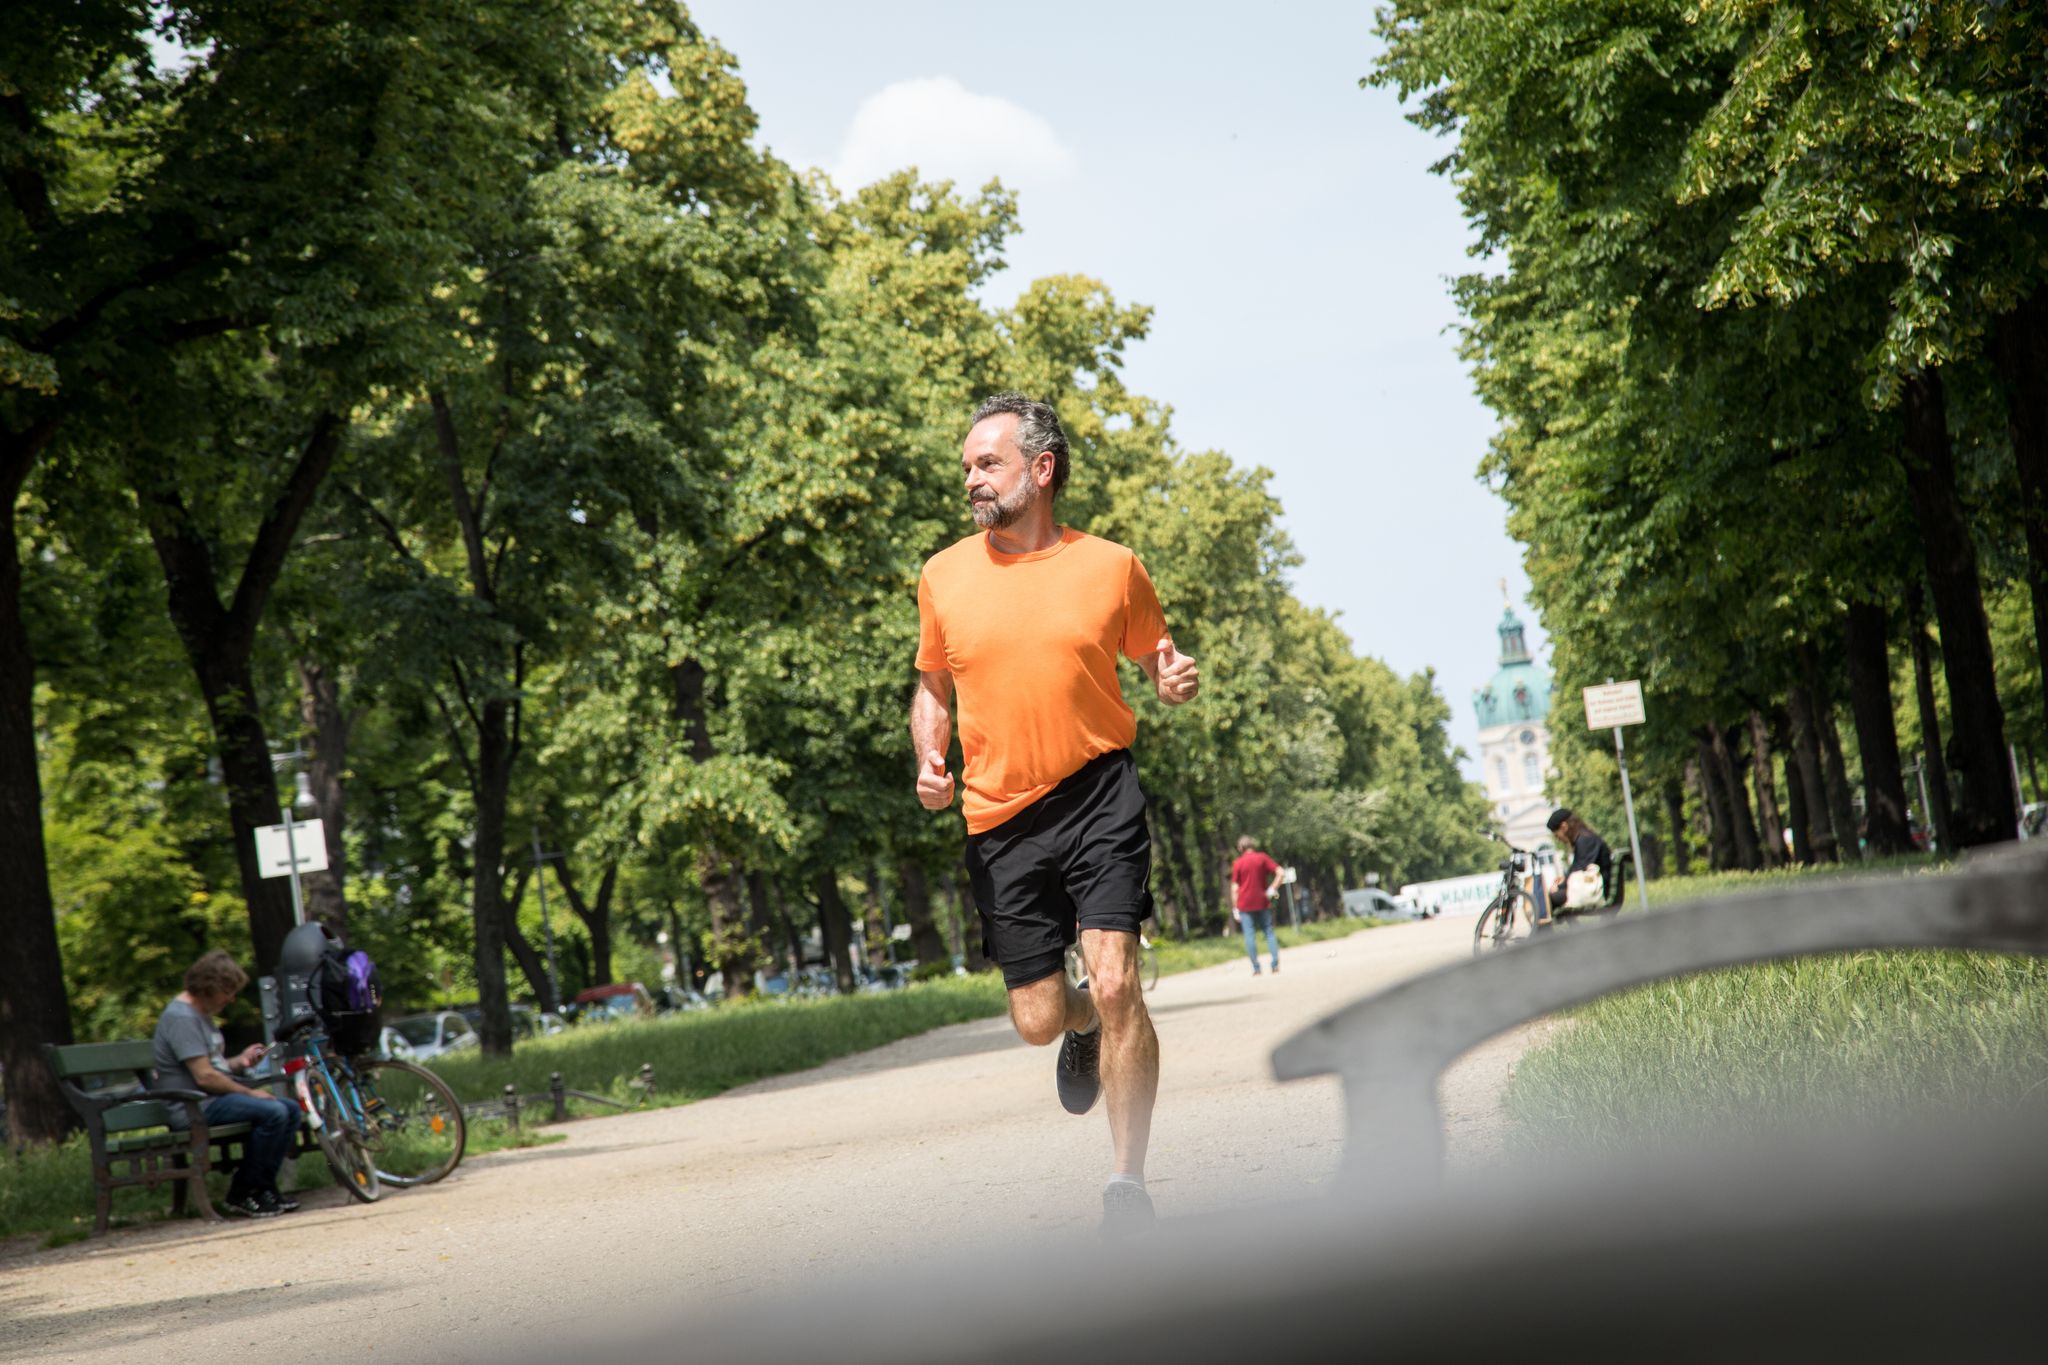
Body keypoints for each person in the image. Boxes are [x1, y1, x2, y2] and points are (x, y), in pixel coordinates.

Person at [912, 392, 1200, 1237]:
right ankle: (1079, 1022)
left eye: (987, 463)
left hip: (1099, 791)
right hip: (999, 815)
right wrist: (929, 757)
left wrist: (1172, 680)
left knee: (1118, 982)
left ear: (1040, 469)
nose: (971, 479)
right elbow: (932, 689)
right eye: (967, 466)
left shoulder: (1112, 566)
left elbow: (1158, 660)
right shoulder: (943, 576)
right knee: (1040, 1018)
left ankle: (1127, 1185)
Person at [152, 950, 302, 1218]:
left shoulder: (200, 1014)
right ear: (208, 986)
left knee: (289, 1109)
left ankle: (263, 1189)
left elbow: (215, 1068)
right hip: (193, 1107)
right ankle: (243, 1192)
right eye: (228, 991)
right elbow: (204, 1077)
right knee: (274, 1112)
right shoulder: (182, 1018)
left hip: (212, 1099)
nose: (231, 999)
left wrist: (240, 1061)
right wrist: (250, 1093)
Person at [1543, 807, 1615, 922]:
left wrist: (1560, 887)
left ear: (1564, 826)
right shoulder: (1584, 838)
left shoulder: (1585, 840)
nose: (1558, 839)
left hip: (1598, 890)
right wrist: (1563, 881)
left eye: (1557, 835)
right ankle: (1574, 930)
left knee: (1546, 901)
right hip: (1596, 887)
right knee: (1548, 899)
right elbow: (1578, 868)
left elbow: (1579, 870)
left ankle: (1565, 931)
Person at [1228, 836, 1283, 974]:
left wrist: (1235, 908)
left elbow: (1234, 888)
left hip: (1244, 904)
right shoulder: (1262, 858)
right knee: (1269, 932)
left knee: (1249, 935)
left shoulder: (1238, 863)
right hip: (1262, 900)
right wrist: (1272, 889)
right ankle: (1274, 964)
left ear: (1240, 848)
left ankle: (1256, 968)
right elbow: (1280, 872)